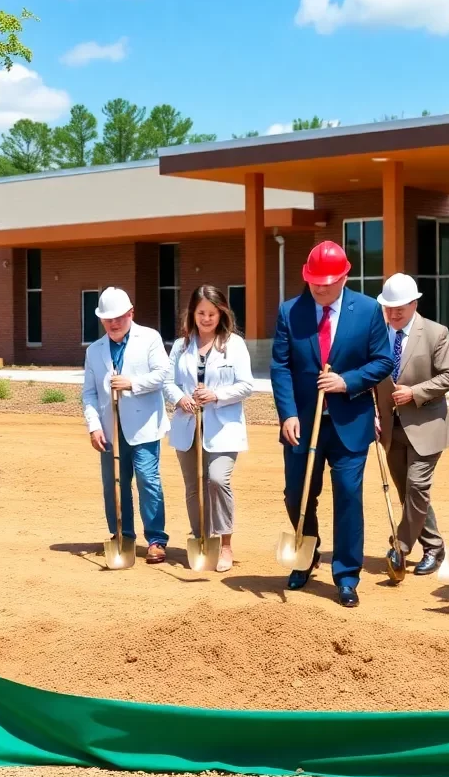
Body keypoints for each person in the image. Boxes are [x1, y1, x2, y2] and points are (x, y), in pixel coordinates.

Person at [270, 241, 394, 607]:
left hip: (349, 422)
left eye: (327, 283)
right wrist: (288, 413)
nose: (319, 289)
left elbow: (383, 361)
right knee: (298, 494)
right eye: (313, 282)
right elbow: (280, 366)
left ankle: (346, 575)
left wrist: (348, 382)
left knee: (349, 495)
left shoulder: (369, 310)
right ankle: (306, 556)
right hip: (302, 423)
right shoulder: (290, 311)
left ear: (344, 277)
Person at [374, 273, 449, 578]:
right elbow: (372, 378)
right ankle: (434, 546)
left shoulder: (436, 333)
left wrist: (415, 392)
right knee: (409, 493)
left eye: (400, 308)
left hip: (427, 425)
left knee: (416, 487)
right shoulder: (377, 334)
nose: (394, 313)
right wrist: (373, 412)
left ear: (414, 303)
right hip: (390, 426)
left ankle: (401, 546)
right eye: (389, 308)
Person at [164, 285, 254, 572]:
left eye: (212, 313)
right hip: (188, 425)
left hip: (222, 427)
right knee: (193, 487)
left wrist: (217, 395)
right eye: (201, 312)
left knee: (217, 479)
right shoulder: (181, 346)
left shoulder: (234, 344)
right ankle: (201, 538)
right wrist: (180, 398)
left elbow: (246, 385)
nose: (206, 318)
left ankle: (225, 544)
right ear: (192, 313)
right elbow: (168, 382)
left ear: (221, 313)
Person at [81, 287, 170, 563]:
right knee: (114, 483)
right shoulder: (95, 351)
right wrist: (94, 426)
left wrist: (133, 383)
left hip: (144, 425)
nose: (114, 323)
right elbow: (89, 393)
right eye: (108, 319)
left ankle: (156, 539)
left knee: (147, 479)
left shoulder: (150, 339)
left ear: (131, 313)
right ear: (101, 320)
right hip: (109, 429)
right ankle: (122, 534)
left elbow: (163, 374)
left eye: (119, 316)